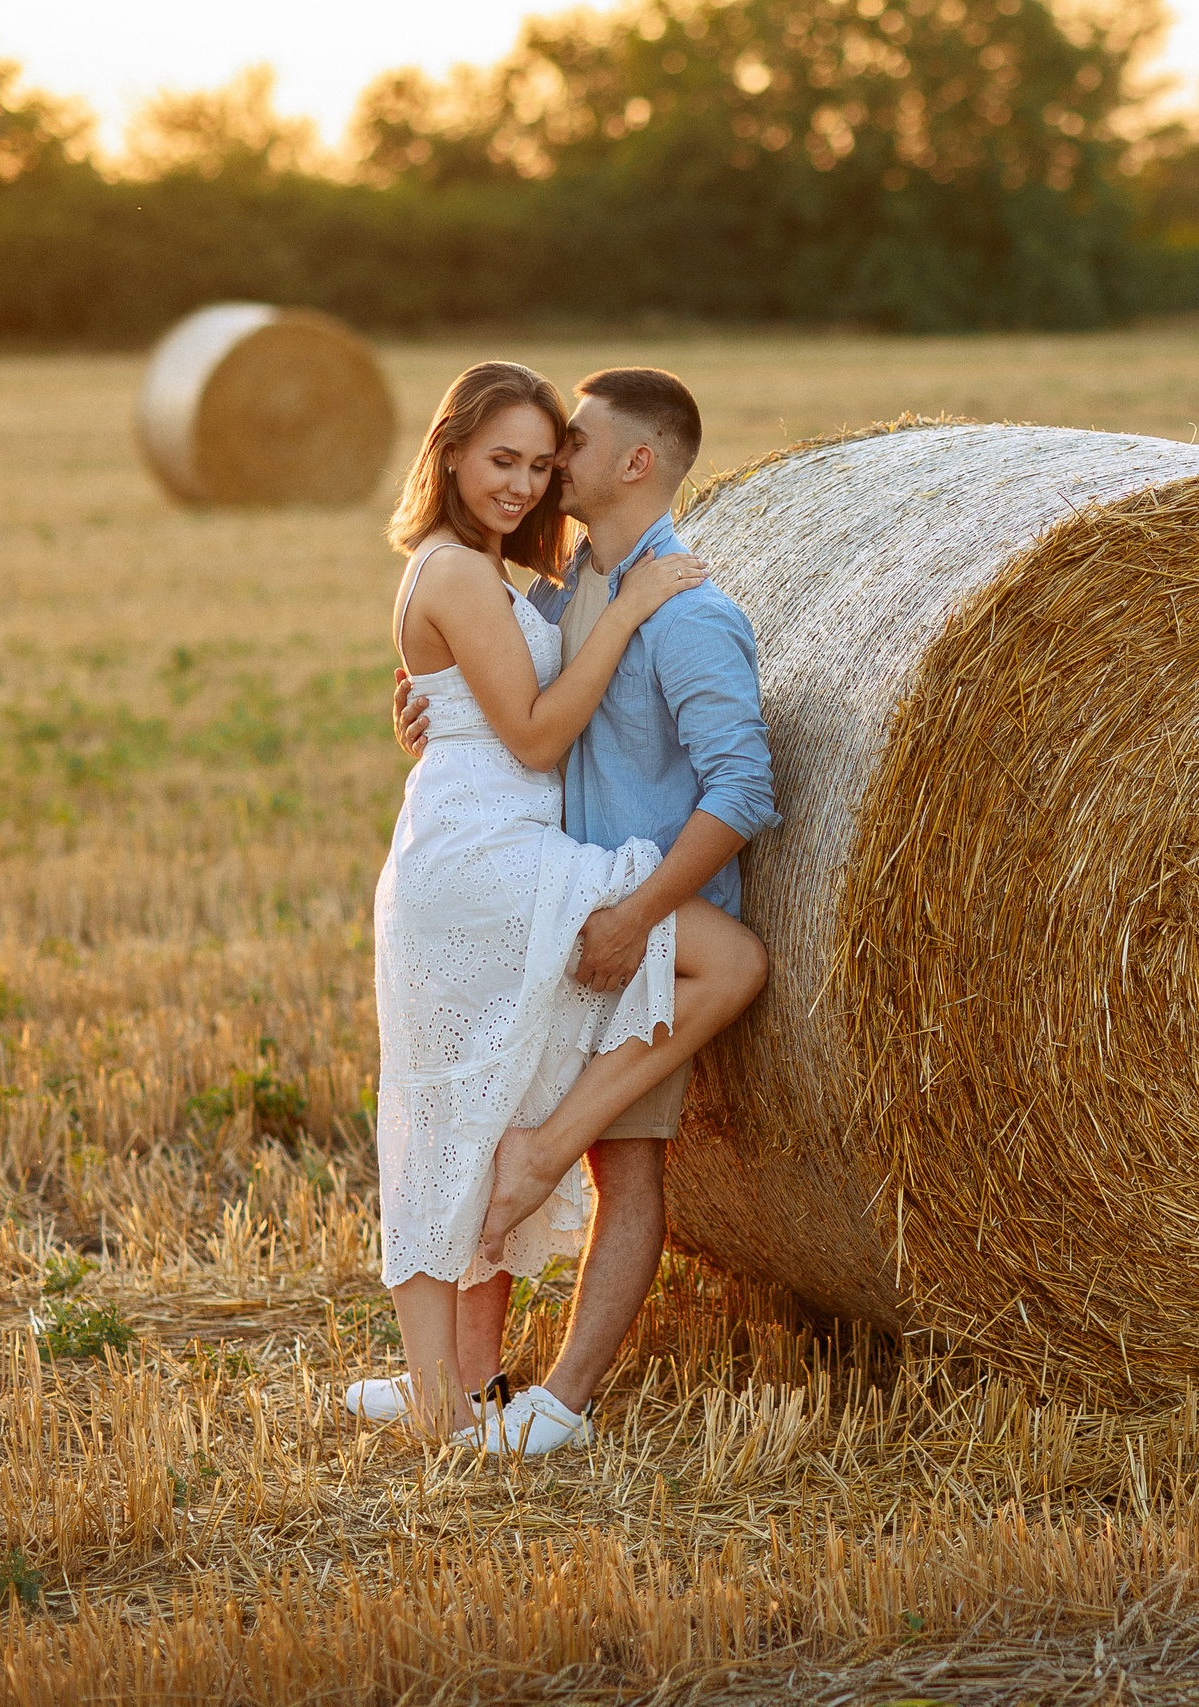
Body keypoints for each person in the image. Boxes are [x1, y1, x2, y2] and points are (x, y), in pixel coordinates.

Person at [390, 365, 777, 1457]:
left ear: (633, 462)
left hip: (629, 916)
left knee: (623, 1164)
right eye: (516, 454)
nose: (549, 464)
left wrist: (636, 913)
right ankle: (459, 1394)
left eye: (567, 443)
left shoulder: (686, 612)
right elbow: (513, 705)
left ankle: (556, 1407)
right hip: (550, 893)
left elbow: (742, 790)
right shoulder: (567, 591)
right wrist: (436, 707)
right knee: (477, 1113)